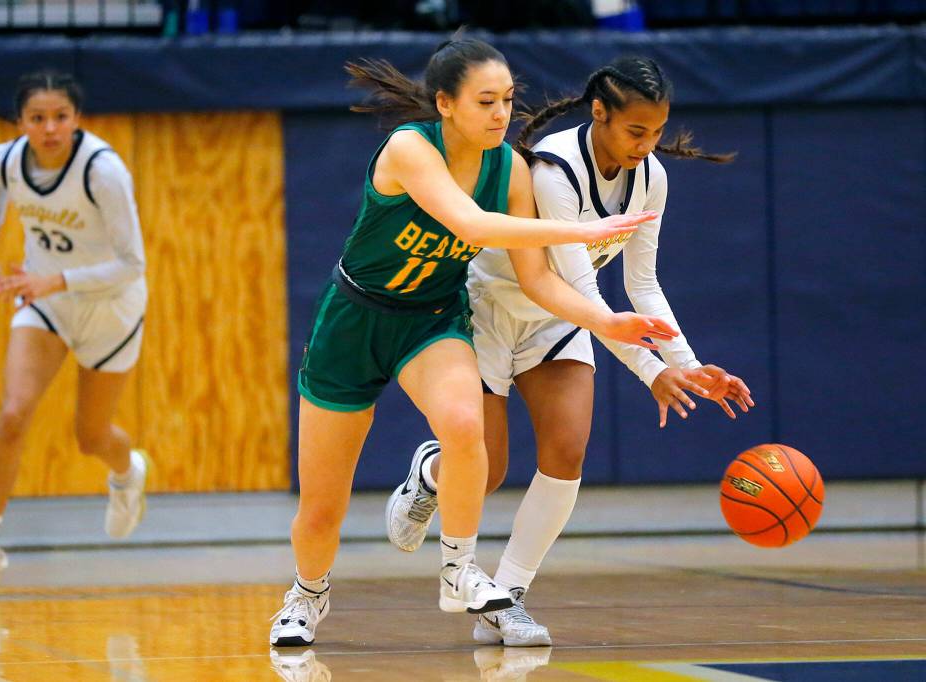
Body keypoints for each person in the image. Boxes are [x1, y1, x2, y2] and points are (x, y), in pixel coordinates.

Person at [270, 38, 681, 647]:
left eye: (508, 101)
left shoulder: (511, 169)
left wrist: (606, 322)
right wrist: (582, 227)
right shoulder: (411, 148)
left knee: (467, 427)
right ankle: (307, 595)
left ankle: (459, 571)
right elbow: (469, 224)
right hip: (354, 319)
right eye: (486, 101)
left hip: (430, 319)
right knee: (321, 509)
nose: (501, 115)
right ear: (445, 104)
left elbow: (538, 278)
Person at [385, 55, 755, 645]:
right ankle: (430, 475)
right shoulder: (555, 168)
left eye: (657, 132)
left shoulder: (652, 177)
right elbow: (581, 287)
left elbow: (642, 286)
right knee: (489, 468)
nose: (647, 145)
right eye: (636, 132)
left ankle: (506, 599)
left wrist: (687, 367)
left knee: (567, 448)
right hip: (491, 306)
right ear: (600, 113)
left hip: (557, 322)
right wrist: (649, 371)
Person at [0, 71, 149, 583]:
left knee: (91, 436)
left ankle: (127, 474)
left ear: (77, 119)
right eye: (38, 119)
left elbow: (132, 264)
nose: (50, 128)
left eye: (61, 117)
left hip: (110, 308)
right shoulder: (6, 160)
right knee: (14, 412)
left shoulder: (103, 171)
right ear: (21, 123)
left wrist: (54, 279)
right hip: (46, 303)